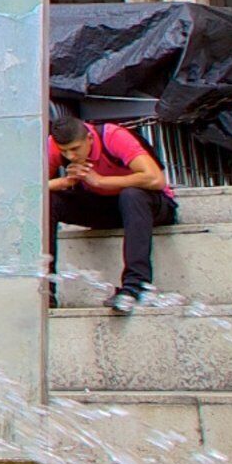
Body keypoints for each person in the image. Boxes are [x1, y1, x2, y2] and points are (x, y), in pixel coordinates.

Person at [50, 107, 177, 311]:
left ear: (89, 138)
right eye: (64, 151)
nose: (70, 156)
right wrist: (65, 181)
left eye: (75, 149)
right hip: (107, 208)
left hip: (151, 206)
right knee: (49, 200)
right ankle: (45, 291)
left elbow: (156, 179)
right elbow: (34, 187)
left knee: (131, 194)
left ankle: (135, 288)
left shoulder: (113, 136)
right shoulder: (57, 147)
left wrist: (100, 181)